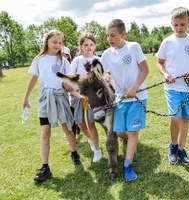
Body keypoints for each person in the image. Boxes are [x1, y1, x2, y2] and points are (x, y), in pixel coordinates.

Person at [22, 30, 84, 183]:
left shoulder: (64, 61)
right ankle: (45, 167)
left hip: (61, 97)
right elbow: (33, 79)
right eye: (54, 42)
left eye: (60, 43)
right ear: (47, 42)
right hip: (45, 99)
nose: (57, 45)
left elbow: (71, 80)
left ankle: (74, 152)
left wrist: (76, 89)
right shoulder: (39, 59)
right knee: (45, 133)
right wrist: (26, 98)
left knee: (67, 128)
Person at [100, 19, 149, 181]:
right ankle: (131, 144)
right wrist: (106, 80)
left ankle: (128, 165)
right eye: (107, 35)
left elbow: (145, 70)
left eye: (113, 35)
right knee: (120, 131)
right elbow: (104, 74)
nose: (109, 39)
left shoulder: (133, 47)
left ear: (123, 34)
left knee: (133, 131)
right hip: (120, 99)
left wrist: (134, 87)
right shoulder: (107, 54)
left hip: (137, 97)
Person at [157, 7, 189, 165]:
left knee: (185, 119)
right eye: (176, 24)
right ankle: (173, 145)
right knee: (175, 118)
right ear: (171, 23)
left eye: (182, 24)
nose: (179, 28)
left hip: (188, 88)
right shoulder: (167, 42)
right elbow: (159, 63)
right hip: (171, 88)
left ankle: (181, 149)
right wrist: (165, 75)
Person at [70, 32, 102, 163]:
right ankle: (90, 139)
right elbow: (71, 78)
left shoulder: (98, 60)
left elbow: (101, 78)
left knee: (91, 122)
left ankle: (97, 149)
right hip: (78, 95)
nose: (89, 47)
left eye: (91, 44)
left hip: (92, 97)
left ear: (94, 46)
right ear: (81, 46)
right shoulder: (77, 61)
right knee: (81, 123)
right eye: (85, 45)